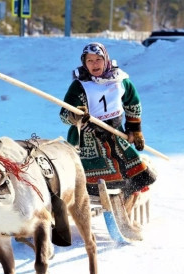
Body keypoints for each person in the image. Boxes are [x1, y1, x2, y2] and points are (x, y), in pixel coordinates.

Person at [59, 42, 156, 202]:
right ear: (84, 63)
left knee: (131, 166)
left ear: (106, 59)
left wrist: (134, 129)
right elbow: (64, 114)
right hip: (86, 139)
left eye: (98, 59)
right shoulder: (80, 85)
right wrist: (76, 115)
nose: (94, 64)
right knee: (84, 172)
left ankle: (129, 195)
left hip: (115, 133)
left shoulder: (120, 81)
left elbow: (132, 104)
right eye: (89, 61)